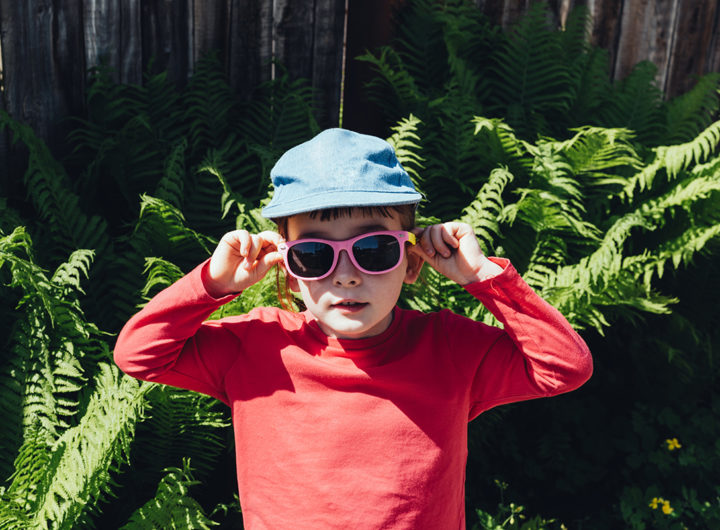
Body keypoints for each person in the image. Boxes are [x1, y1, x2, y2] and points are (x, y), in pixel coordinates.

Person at [114, 128, 593, 529]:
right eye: (316, 254)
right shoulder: (257, 347)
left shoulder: (450, 349)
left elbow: (565, 367)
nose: (346, 274)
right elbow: (138, 353)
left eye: (375, 250)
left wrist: (481, 276)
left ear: (411, 263)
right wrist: (214, 284)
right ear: (289, 266)